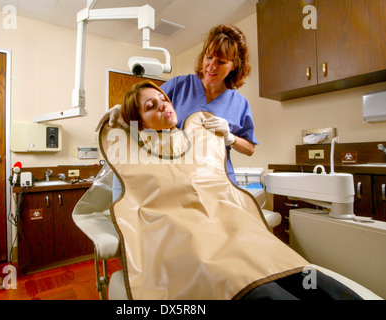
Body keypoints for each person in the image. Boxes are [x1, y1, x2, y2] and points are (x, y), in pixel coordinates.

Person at [101, 80, 363, 300]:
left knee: (292, 269)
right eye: (151, 106)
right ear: (140, 122)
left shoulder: (196, 141)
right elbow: (129, 208)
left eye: (163, 99)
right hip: (189, 238)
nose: (164, 105)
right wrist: (122, 122)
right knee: (246, 281)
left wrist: (229, 137)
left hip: (228, 225)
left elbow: (233, 162)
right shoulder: (131, 157)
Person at [97, 24, 258, 185]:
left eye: (221, 62)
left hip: (219, 181)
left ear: (234, 65)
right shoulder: (180, 85)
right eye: (209, 57)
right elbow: (145, 105)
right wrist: (123, 110)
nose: (212, 66)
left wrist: (230, 137)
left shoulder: (239, 103)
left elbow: (250, 148)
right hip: (180, 179)